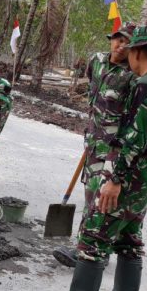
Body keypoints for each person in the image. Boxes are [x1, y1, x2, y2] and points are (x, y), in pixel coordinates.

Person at [41, 25, 147, 291]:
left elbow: (133, 137)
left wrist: (114, 178)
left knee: (94, 234)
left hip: (128, 171)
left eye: (130, 49)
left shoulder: (144, 85)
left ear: (138, 52)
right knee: (129, 237)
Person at [52, 24, 135, 267]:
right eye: (117, 40)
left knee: (102, 196)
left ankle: (88, 249)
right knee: (91, 193)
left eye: (126, 42)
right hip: (93, 140)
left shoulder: (132, 74)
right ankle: (91, 244)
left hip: (114, 146)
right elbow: (93, 89)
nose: (120, 45)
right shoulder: (96, 61)